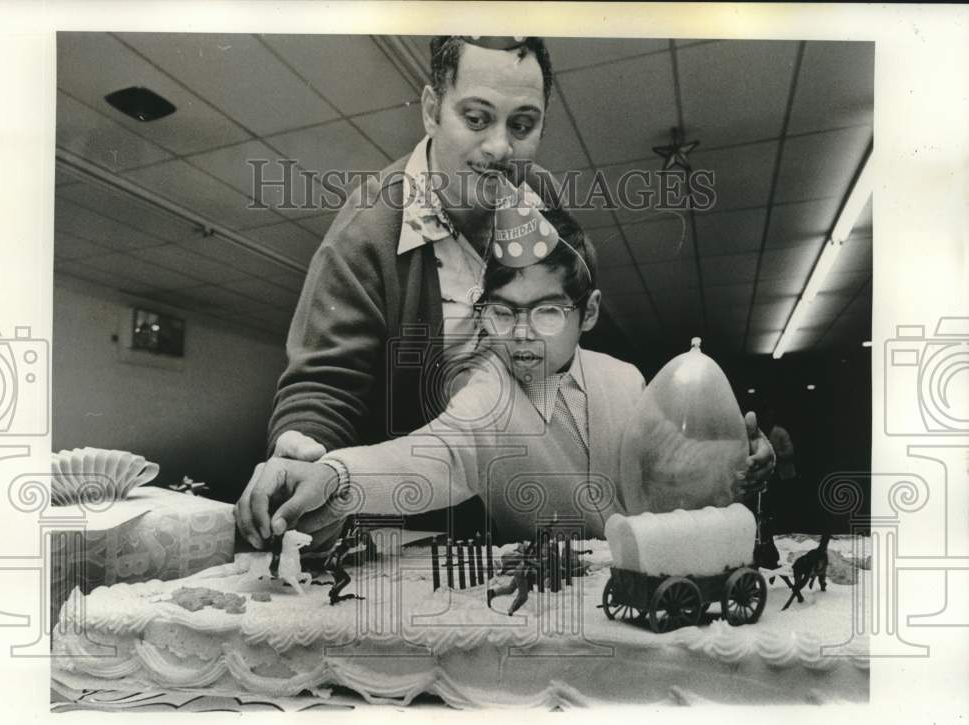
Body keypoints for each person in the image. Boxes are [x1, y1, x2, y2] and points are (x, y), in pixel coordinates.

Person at [236, 35, 774, 548]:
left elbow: (574, 351)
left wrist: (718, 454)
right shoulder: (366, 230)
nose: (499, 148)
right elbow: (326, 384)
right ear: (431, 109)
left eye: (522, 124)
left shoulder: (537, 194)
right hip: (422, 516)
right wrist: (306, 453)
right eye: (475, 118)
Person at [239, 208, 774, 546]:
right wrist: (334, 476)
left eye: (545, 312)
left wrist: (736, 466)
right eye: (501, 312)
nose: (519, 336)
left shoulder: (629, 380)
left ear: (587, 314)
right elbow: (430, 456)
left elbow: (677, 475)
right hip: (546, 607)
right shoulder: (486, 390)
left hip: (648, 578)